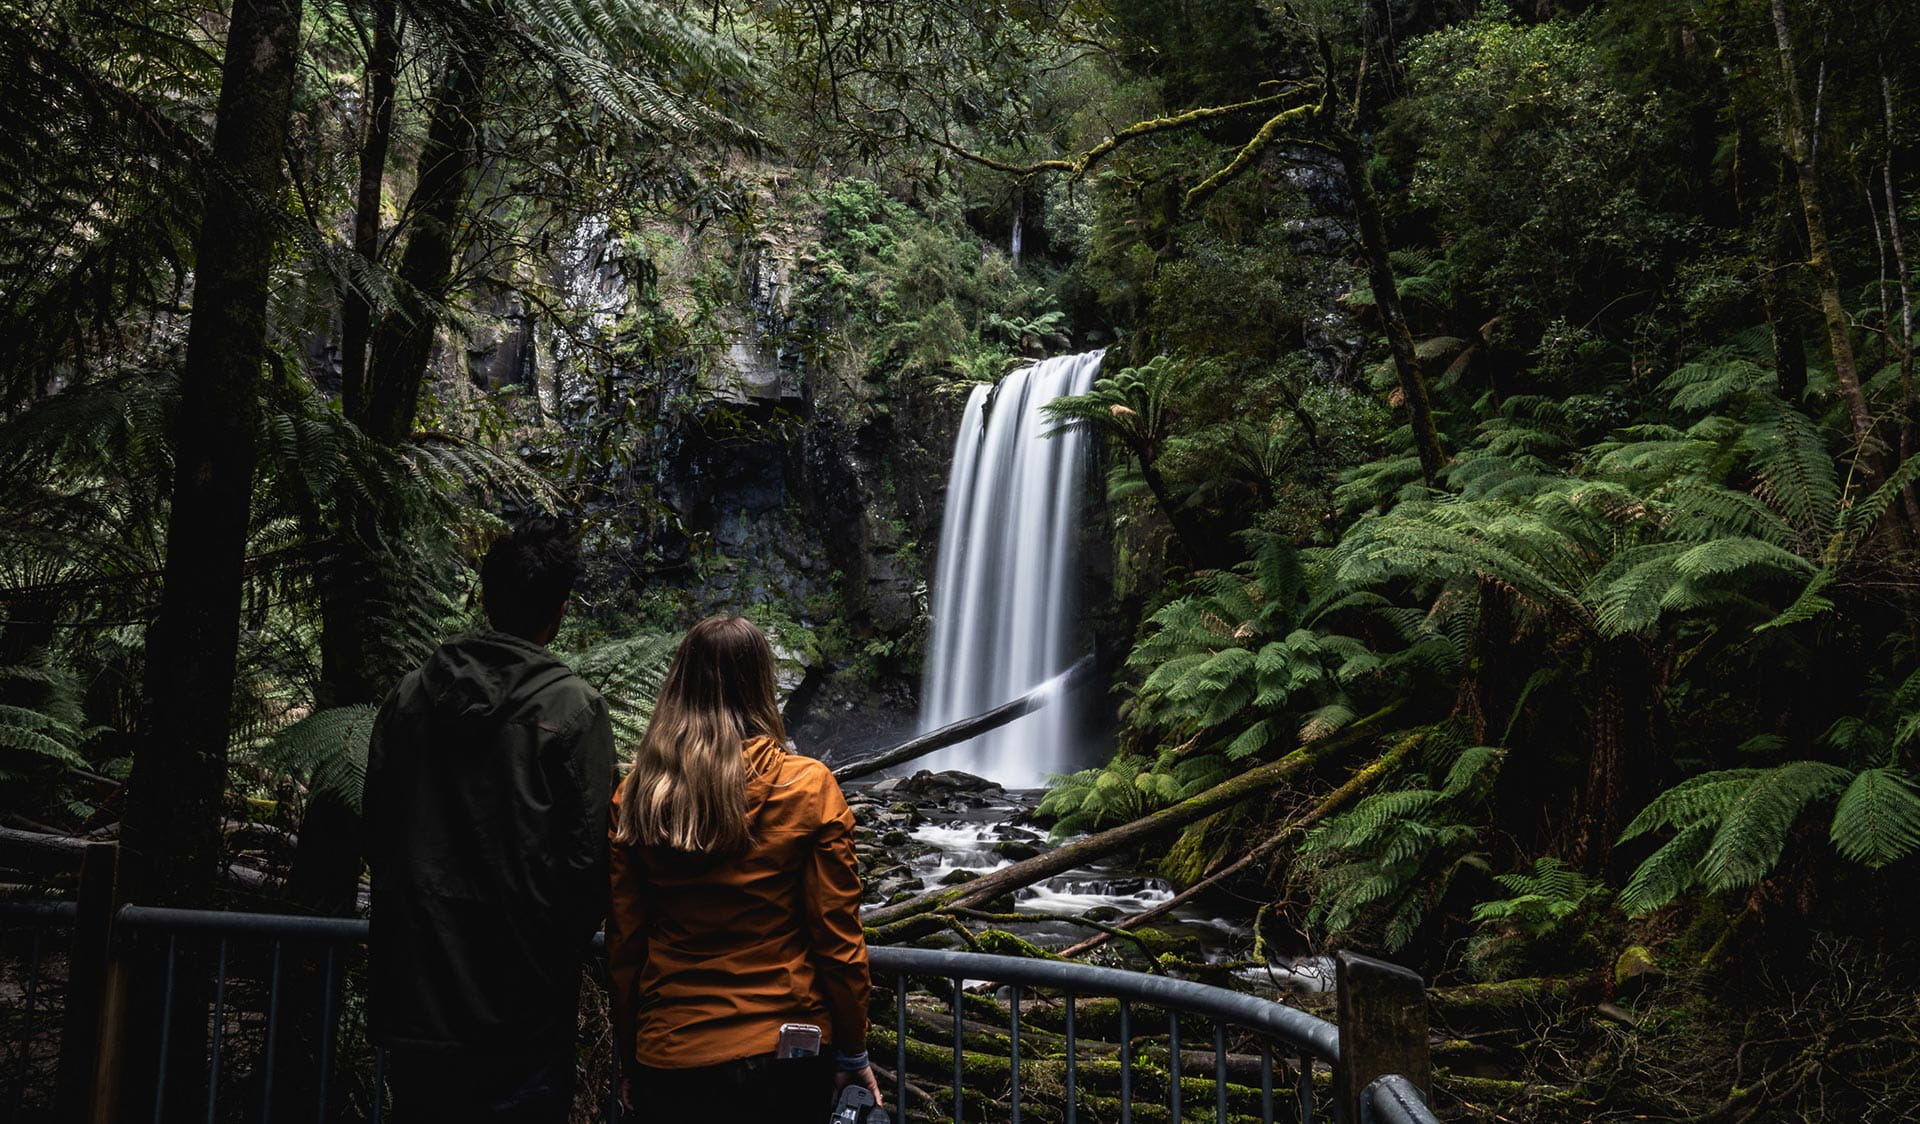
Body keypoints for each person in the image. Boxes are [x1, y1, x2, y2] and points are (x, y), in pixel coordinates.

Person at [364, 514, 613, 1121]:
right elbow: (589, 864)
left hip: (415, 998)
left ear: (485, 597)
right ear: (556, 613)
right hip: (522, 1007)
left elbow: (378, 828)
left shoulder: (408, 698)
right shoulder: (573, 710)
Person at [607, 615, 882, 1122]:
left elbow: (626, 944)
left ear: (679, 685)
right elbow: (838, 940)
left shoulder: (637, 797)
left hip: (673, 1049)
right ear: (761, 685)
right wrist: (853, 1053)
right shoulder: (807, 787)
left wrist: (630, 1054)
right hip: (786, 1050)